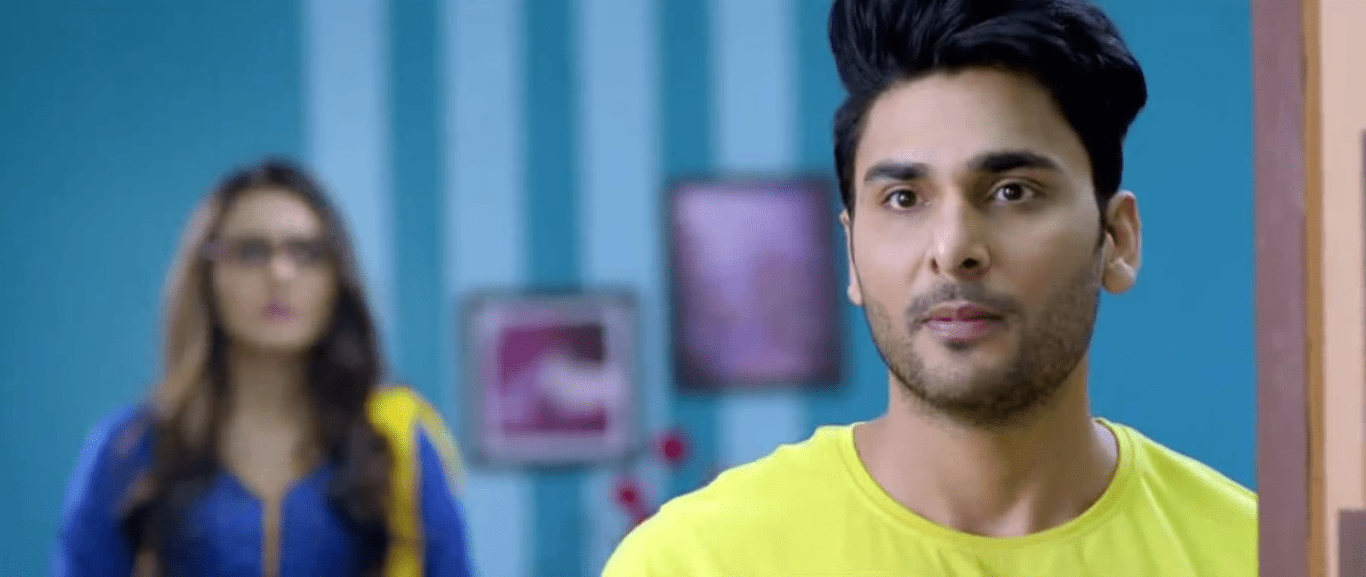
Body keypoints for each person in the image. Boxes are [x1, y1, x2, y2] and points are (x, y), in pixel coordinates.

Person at [602, 0, 1256, 575]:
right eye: (904, 198)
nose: (952, 249)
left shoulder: (1260, 554)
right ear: (852, 254)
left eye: (1012, 191)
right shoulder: (694, 563)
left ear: (1118, 239)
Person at [52, 159, 474, 577]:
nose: (280, 274)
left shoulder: (396, 445)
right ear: (207, 276)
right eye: (251, 252)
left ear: (337, 279)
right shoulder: (130, 447)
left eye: (307, 253)